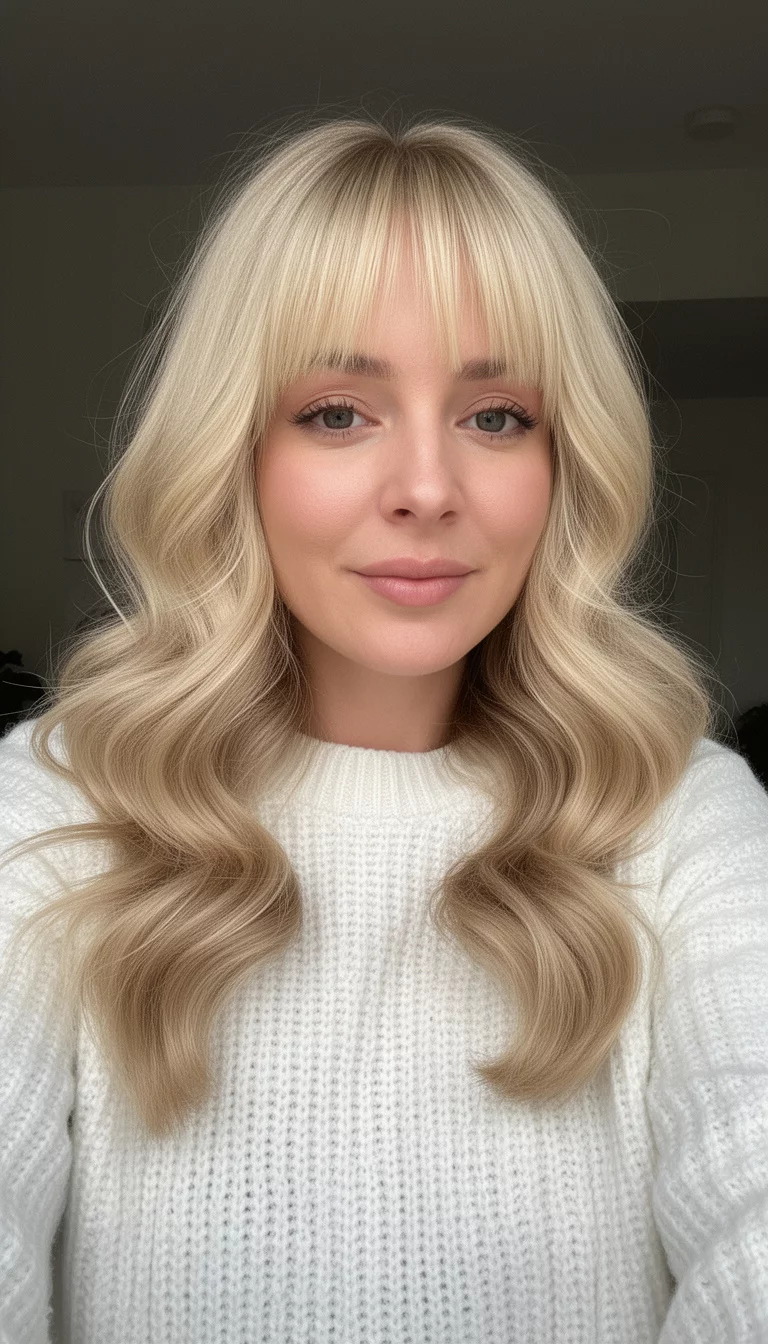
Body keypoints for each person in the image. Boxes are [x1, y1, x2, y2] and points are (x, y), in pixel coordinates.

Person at [1, 113, 767, 1344]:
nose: (427, 486)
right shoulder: (56, 805)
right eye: (338, 412)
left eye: (498, 415)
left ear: (564, 463)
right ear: (233, 453)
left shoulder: (680, 814)